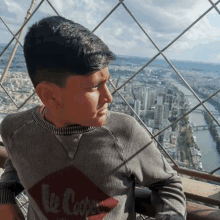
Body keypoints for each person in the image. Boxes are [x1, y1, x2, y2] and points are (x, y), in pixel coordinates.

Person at [0, 16, 186, 220]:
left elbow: (167, 182)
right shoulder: (16, 130)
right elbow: (15, 171)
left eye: (107, 82)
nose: (109, 97)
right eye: (95, 86)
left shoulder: (125, 132)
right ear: (50, 95)